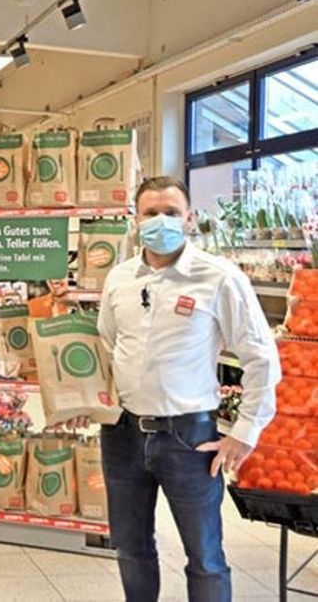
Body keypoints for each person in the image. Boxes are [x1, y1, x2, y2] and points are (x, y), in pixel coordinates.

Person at [85, 176, 281, 602]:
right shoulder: (119, 279)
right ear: (135, 221)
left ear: (189, 218)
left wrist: (245, 431)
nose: (161, 221)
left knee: (205, 556)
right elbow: (108, 345)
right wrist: (91, 400)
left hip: (188, 437)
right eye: (151, 213)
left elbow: (261, 356)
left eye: (171, 213)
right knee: (132, 547)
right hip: (122, 434)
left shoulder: (218, 278)